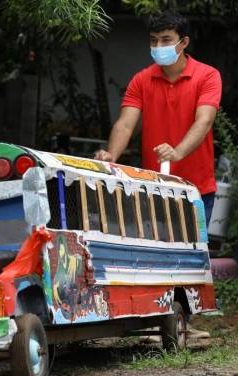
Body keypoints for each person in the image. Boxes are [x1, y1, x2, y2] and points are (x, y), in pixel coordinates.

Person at [95, 10, 222, 226]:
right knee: (153, 256)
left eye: (166, 40)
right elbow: (125, 124)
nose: (159, 46)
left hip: (195, 189)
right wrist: (111, 157)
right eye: (154, 41)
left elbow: (205, 120)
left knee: (191, 255)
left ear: (184, 43)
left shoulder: (208, 76)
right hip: (152, 187)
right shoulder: (142, 80)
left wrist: (177, 152)